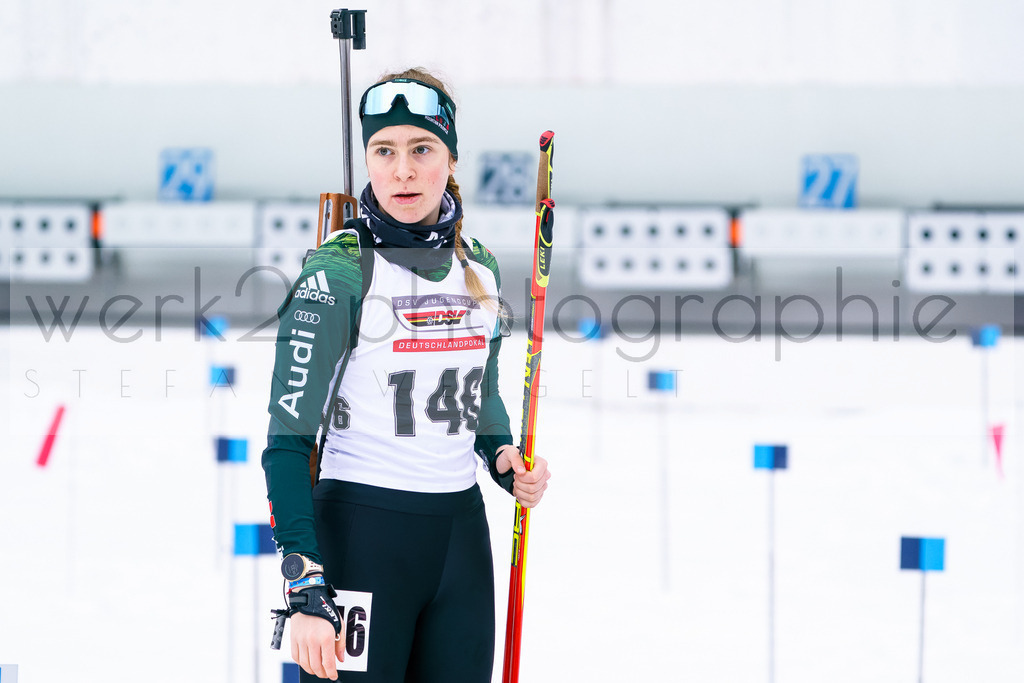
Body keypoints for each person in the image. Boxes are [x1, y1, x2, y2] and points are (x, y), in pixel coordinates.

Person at [260, 67, 551, 683]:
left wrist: (504, 459)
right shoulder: (337, 275)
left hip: (460, 542)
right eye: (384, 151)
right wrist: (305, 583)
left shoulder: (482, 271)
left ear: (450, 158)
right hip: (362, 537)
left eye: (422, 149)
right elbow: (286, 445)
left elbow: (481, 404)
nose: (403, 171)